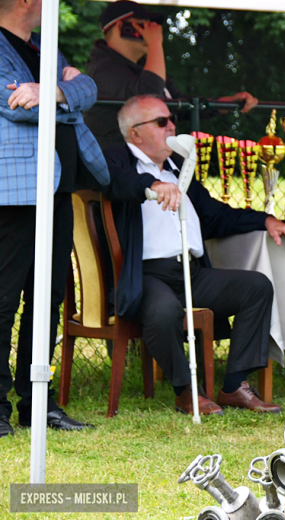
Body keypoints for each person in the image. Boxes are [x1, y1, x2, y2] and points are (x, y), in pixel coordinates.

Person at [102, 95, 285, 415]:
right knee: (164, 310)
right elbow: (115, 183)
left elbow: (215, 216)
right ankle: (186, 391)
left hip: (191, 273)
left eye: (172, 119)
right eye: (161, 121)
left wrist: (264, 219)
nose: (172, 126)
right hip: (147, 275)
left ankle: (234, 385)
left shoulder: (180, 170)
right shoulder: (117, 160)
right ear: (135, 133)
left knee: (257, 287)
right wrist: (150, 183)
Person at [0, 0, 111, 437]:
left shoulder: (48, 49)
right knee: (4, 300)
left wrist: (52, 92)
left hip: (58, 191)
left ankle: (37, 405)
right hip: (17, 193)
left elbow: (89, 88)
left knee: (48, 298)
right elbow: (13, 106)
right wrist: (61, 93)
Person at [84, 0, 258, 149]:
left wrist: (223, 103)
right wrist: (155, 44)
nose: (154, 29)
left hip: (148, 166)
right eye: (144, 23)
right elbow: (149, 97)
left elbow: (179, 105)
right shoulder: (103, 67)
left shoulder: (145, 66)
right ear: (123, 26)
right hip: (117, 170)